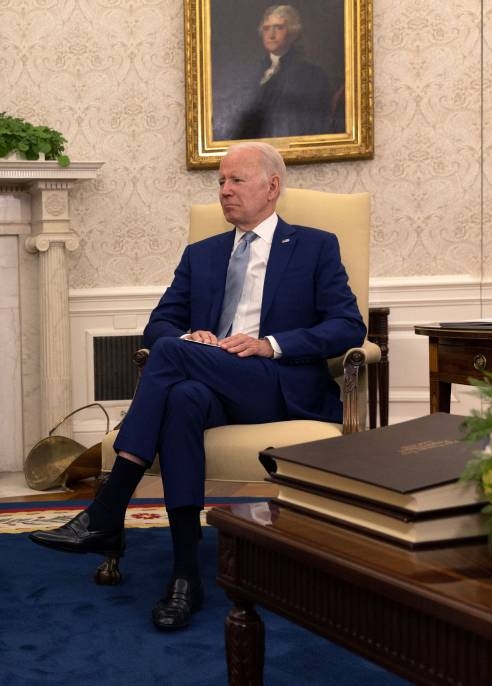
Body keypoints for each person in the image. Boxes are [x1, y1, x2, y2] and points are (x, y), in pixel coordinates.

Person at [30, 142, 366, 631]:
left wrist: (269, 344)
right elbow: (160, 323)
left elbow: (347, 326)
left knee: (170, 358)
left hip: (276, 386)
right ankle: (186, 576)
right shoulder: (203, 254)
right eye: (221, 182)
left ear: (272, 187)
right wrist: (193, 336)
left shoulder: (315, 245)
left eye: (236, 181)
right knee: (183, 393)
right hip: (211, 383)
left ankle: (108, 508)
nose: (224, 191)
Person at [231, 5, 339, 140]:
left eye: (279, 28)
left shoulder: (312, 75)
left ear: (293, 33)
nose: (271, 35)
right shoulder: (253, 74)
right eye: (266, 28)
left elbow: (316, 122)